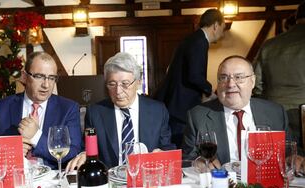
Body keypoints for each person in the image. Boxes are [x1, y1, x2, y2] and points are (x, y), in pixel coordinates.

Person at [66, 52, 175, 171]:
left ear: (138, 81)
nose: (118, 91)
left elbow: (167, 147)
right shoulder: (95, 112)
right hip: (110, 180)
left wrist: (162, 153)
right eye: (112, 84)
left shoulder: (157, 111)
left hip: (146, 178)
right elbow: (87, 148)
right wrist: (83, 154)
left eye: (125, 84)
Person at [183, 55, 289, 167]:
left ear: (252, 81)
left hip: (264, 181)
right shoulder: (198, 116)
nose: (230, 84)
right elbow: (188, 158)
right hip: (222, 181)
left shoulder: (275, 112)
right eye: (223, 78)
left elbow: (290, 150)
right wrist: (199, 162)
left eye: (238, 77)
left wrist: (294, 157)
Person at [0, 51, 82, 169]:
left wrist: (35, 136)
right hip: (13, 179)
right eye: (39, 76)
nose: (46, 85)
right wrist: (12, 151)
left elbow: (73, 151)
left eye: (51, 78)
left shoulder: (68, 108)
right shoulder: (4, 106)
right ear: (24, 77)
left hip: (50, 181)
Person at [154, 9, 226, 147]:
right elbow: (194, 75)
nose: (222, 34)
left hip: (175, 102)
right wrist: (210, 91)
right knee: (181, 145)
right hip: (180, 105)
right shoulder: (200, 41)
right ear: (216, 25)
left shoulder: (193, 38)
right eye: (223, 28)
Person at [253, 1, 305, 158]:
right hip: (303, 115)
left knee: (279, 163)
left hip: (273, 113)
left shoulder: (270, 44)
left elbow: (256, 85)